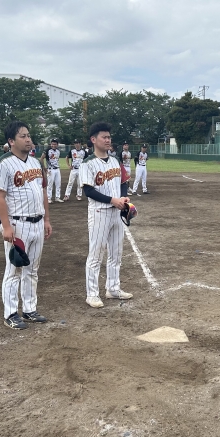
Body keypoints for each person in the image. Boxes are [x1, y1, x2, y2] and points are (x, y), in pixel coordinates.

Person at [0, 121, 52, 330]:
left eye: (28, 135)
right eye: (22, 136)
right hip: (18, 223)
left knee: (32, 270)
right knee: (14, 270)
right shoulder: (2, 164)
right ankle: (10, 313)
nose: (28, 139)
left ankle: (29, 309)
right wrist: (6, 226)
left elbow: (43, 192)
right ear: (11, 141)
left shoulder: (35, 163)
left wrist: (46, 219)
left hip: (37, 221)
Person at [80, 122, 133, 308]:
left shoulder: (115, 160)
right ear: (94, 140)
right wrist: (113, 200)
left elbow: (124, 181)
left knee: (116, 253)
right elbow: (89, 191)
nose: (108, 140)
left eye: (109, 137)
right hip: (99, 212)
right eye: (104, 137)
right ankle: (92, 294)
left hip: (116, 212)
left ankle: (113, 288)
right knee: (96, 255)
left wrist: (123, 197)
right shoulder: (87, 163)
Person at [41, 138, 63, 204]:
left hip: (57, 169)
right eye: (52, 144)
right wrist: (44, 168)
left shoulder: (58, 151)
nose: (53, 145)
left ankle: (57, 197)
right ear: (51, 144)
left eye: (55, 144)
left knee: (58, 183)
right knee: (50, 184)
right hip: (50, 169)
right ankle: (48, 198)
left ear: (57, 145)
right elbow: (41, 158)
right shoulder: (47, 150)